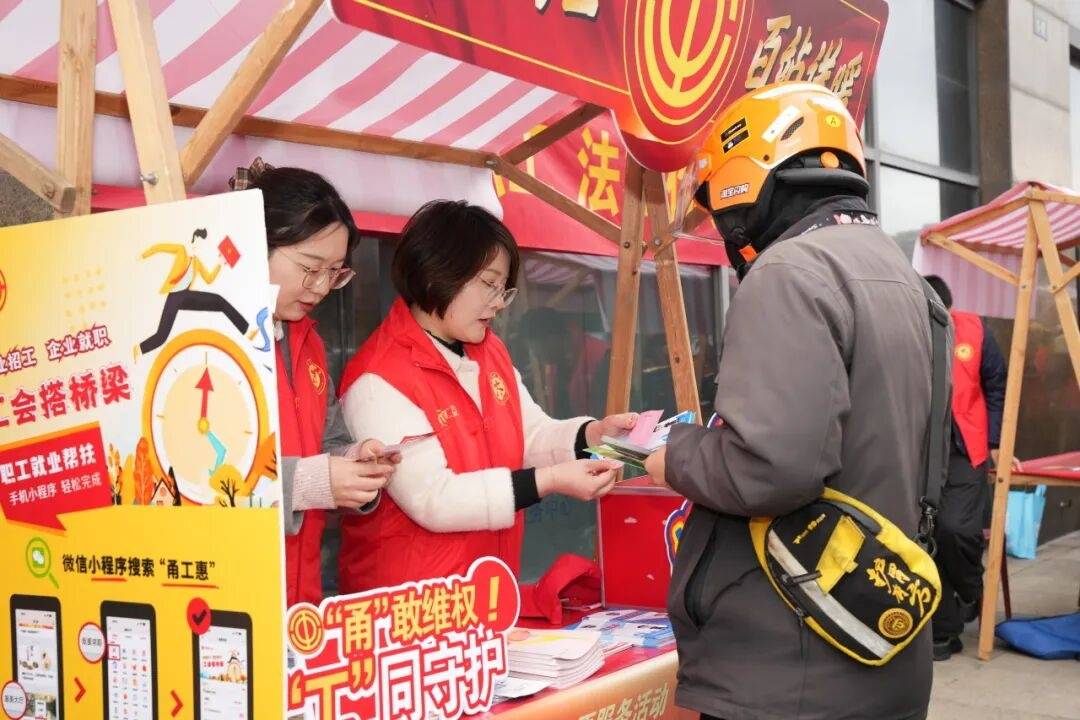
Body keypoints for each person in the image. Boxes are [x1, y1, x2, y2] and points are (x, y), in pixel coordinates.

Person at [643, 82, 944, 720]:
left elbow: (769, 470)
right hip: (880, 643)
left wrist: (673, 454)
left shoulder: (789, 273)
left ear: (745, 187)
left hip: (791, 665)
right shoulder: (908, 283)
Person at [337, 200, 629, 593]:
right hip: (409, 605)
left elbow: (530, 434)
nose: (498, 302)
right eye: (489, 284)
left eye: (503, 289)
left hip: (486, 592)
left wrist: (593, 436)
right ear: (438, 272)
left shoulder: (490, 351)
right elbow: (433, 498)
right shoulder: (378, 378)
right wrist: (549, 481)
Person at [232, 160, 399, 607]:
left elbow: (329, 440)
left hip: (299, 596)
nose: (322, 287)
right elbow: (200, 479)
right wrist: (313, 482)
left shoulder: (309, 344)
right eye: (311, 268)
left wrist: (353, 460)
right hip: (229, 601)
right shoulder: (206, 338)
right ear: (254, 244)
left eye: (336, 272)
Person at [923, 275, 1006, 661]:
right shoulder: (905, 335)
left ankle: (972, 590)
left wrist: (996, 441)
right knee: (926, 534)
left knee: (956, 529)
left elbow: (998, 385)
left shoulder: (975, 330)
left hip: (965, 449)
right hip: (920, 452)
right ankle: (943, 628)